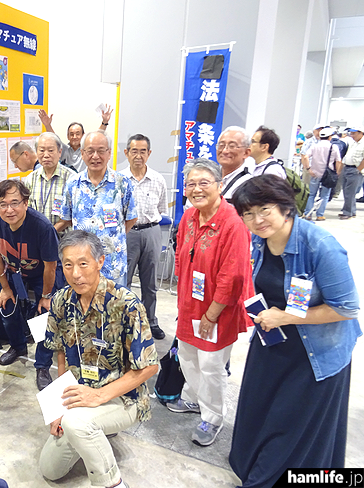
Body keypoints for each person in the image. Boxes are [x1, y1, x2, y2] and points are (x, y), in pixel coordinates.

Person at [229, 175, 361, 487]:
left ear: (285, 206)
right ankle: (255, 470)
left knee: (290, 424)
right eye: (248, 213)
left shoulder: (320, 246)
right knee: (260, 412)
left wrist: (286, 317)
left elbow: (346, 308)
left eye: (264, 209)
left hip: (315, 352)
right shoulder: (260, 241)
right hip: (273, 341)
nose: (257, 220)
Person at [39, 230, 158, 488]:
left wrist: (99, 396)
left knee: (76, 424)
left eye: (83, 263)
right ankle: (91, 428)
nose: (76, 273)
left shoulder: (125, 303)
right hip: (81, 393)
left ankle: (112, 482)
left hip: (123, 397)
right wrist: (59, 407)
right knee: (50, 469)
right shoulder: (60, 300)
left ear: (100, 262)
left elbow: (149, 367)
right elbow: (61, 353)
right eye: (68, 265)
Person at [167, 158, 252, 447]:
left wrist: (211, 315)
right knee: (187, 355)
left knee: (211, 364)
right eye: (191, 184)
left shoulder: (233, 223)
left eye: (204, 182)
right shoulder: (189, 216)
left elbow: (233, 277)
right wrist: (183, 299)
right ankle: (194, 399)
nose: (196, 189)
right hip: (189, 303)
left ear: (219, 185)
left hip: (218, 310)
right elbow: (180, 256)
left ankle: (213, 418)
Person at [0, 180, 62, 390]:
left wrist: (46, 296)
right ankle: (18, 347)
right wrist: (5, 289)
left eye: (15, 203)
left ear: (26, 203)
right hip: (13, 271)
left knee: (44, 317)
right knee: (6, 307)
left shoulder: (42, 226)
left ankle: (42, 365)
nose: (9, 210)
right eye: (3, 204)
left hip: (42, 274)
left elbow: (51, 266)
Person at [60, 130, 137, 286]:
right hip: (81, 266)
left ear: (109, 153)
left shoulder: (122, 183)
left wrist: (113, 237)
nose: (95, 156)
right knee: (83, 301)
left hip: (112, 265)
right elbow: (67, 218)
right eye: (90, 151)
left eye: (101, 151)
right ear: (82, 154)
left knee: (114, 302)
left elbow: (131, 218)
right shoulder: (72, 184)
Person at [119, 134, 167, 340]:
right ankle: (125, 321)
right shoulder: (119, 179)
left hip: (151, 231)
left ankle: (150, 321)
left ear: (149, 153)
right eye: (134, 151)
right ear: (126, 153)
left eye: (142, 151)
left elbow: (161, 208)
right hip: (126, 232)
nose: (138, 156)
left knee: (150, 283)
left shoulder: (158, 179)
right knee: (124, 280)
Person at [24, 132, 76, 231]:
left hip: (64, 237)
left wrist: (49, 233)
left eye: (51, 150)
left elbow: (73, 214)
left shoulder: (72, 178)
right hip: (37, 236)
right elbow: (26, 210)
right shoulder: (30, 179)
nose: (46, 155)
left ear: (59, 152)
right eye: (41, 150)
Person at [37, 105, 114, 172]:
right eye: (71, 134)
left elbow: (97, 136)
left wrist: (104, 122)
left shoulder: (86, 149)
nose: (74, 137)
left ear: (83, 135)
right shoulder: (64, 149)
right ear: (68, 136)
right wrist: (47, 125)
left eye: (77, 134)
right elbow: (54, 139)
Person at [302, 126, 342, 221]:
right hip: (328, 175)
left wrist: (309, 169)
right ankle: (320, 215)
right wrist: (337, 172)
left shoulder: (315, 146)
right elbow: (338, 161)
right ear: (330, 137)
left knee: (311, 194)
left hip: (315, 174)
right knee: (324, 196)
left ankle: (308, 214)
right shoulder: (334, 147)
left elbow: (305, 157)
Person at [216, 126, 252, 201]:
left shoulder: (249, 184)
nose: (224, 151)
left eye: (232, 146)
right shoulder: (210, 178)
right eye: (221, 145)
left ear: (246, 153)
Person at [339, 126, 364, 220]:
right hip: (347, 168)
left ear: (361, 133)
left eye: (354, 133)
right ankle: (351, 211)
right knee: (346, 191)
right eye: (351, 133)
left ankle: (348, 212)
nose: (352, 135)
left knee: (350, 192)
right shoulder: (353, 143)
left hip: (355, 170)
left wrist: (358, 169)